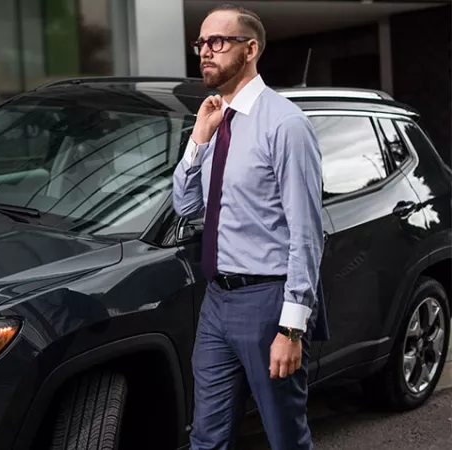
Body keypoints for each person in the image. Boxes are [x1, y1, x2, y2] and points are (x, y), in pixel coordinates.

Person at [172, 4, 328, 450]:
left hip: (267, 303)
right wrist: (198, 140)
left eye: (217, 42)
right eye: (201, 43)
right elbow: (185, 206)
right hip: (216, 303)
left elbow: (306, 234)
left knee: (284, 436)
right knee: (207, 436)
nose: (205, 52)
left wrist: (291, 328)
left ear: (251, 48)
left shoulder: (285, 125)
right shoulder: (216, 121)